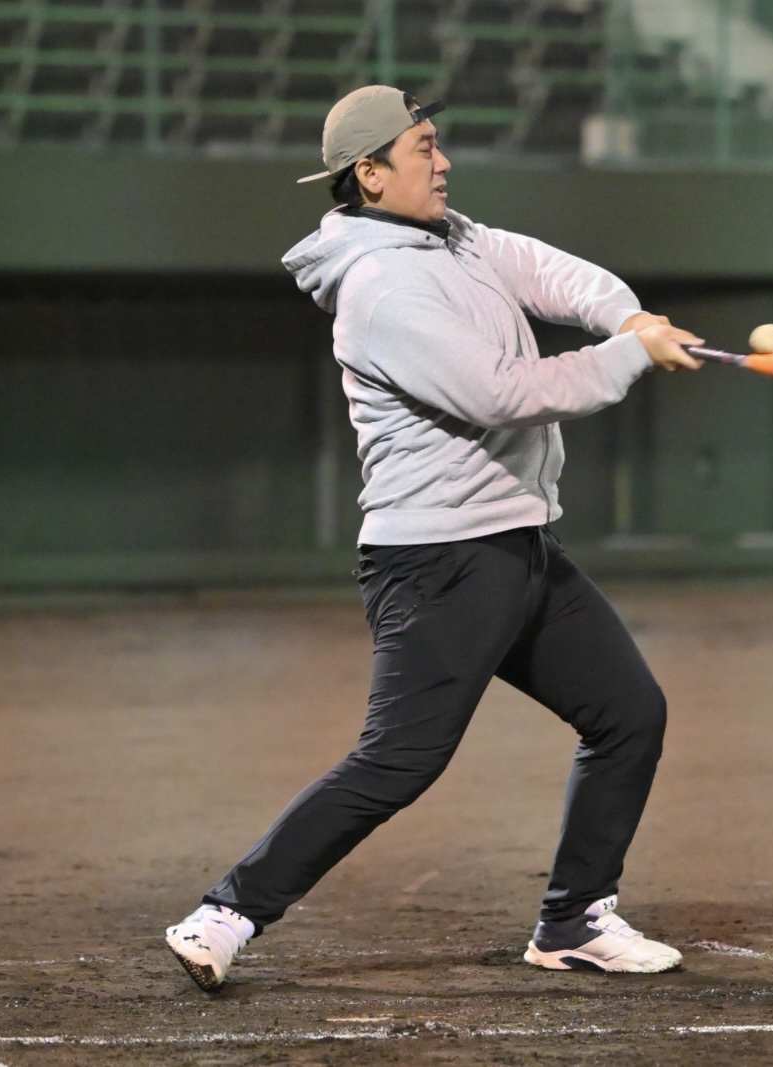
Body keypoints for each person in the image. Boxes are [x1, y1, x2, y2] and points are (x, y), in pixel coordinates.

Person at [165, 84, 703, 992]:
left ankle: (574, 919)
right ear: (370, 175)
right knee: (399, 760)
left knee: (628, 713)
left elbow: (554, 272)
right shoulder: (381, 289)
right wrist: (628, 357)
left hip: (518, 543)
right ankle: (226, 912)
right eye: (423, 149)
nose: (443, 161)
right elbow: (502, 393)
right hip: (438, 562)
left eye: (437, 142)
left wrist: (627, 318)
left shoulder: (454, 239)